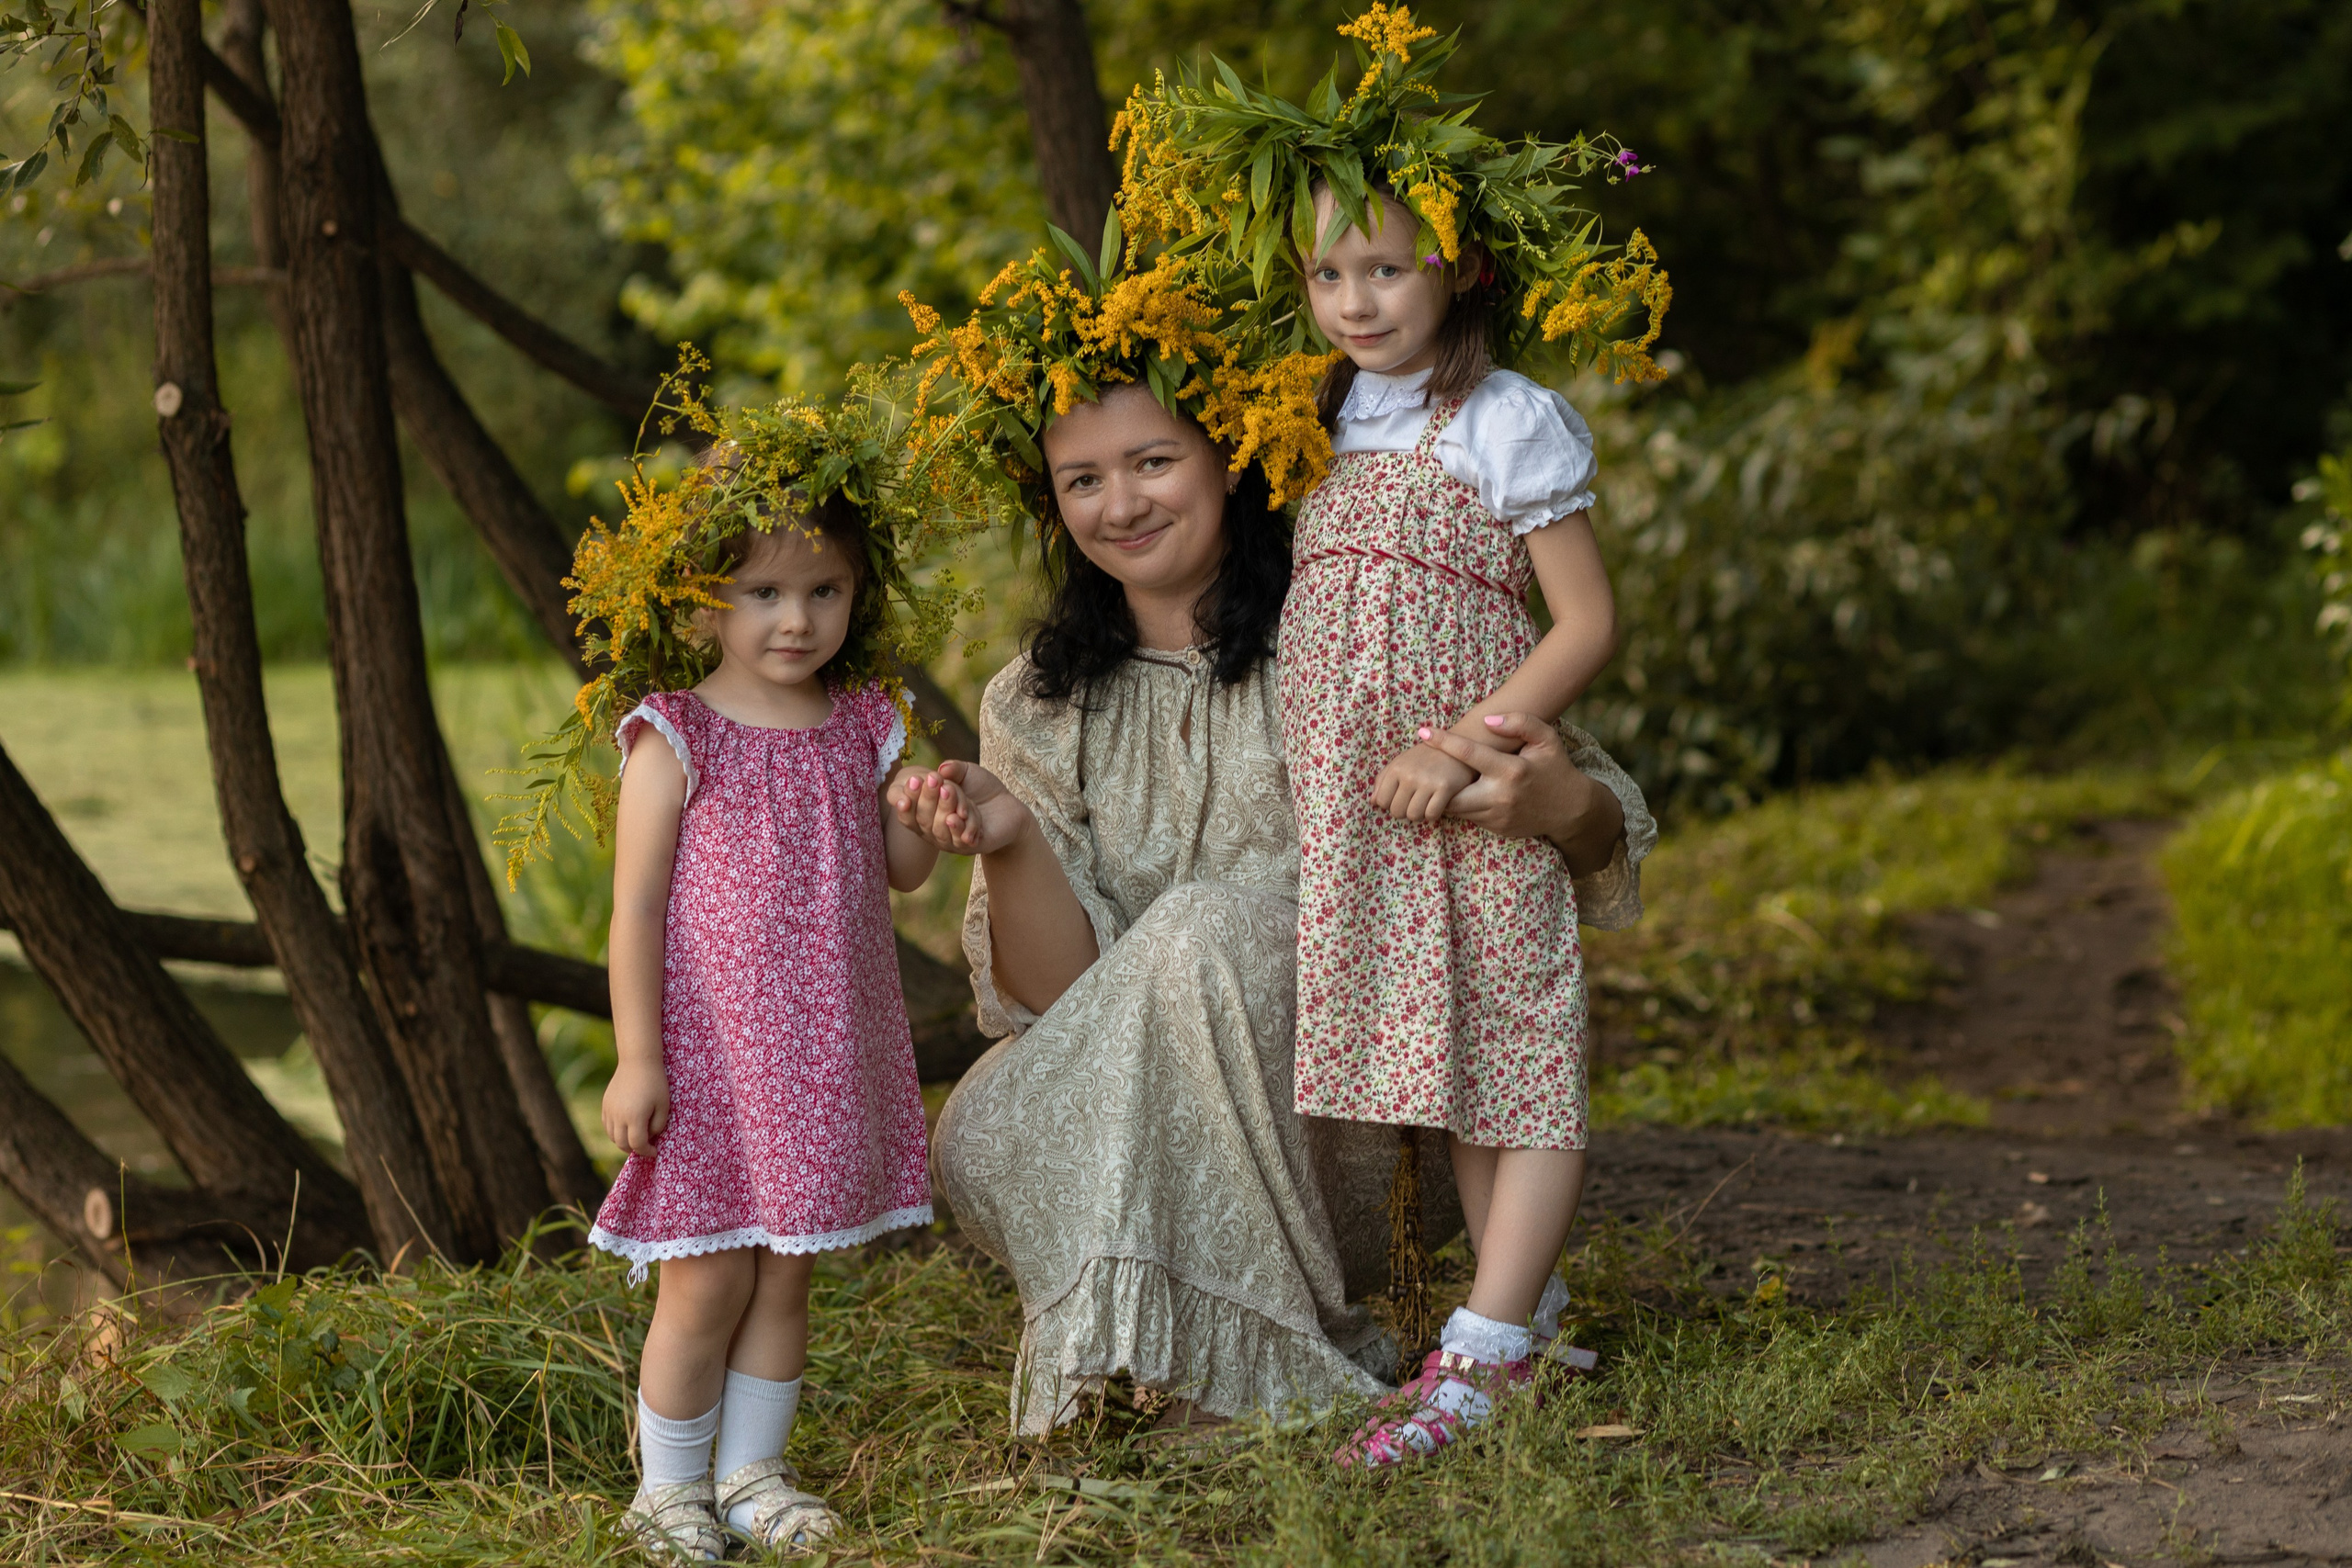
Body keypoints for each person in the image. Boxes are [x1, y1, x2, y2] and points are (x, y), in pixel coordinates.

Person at [892, 242, 1655, 1433]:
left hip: (1344, 1102)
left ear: (1232, 453)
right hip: (1101, 1100)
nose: (1122, 502)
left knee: (1204, 928)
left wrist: (1549, 804)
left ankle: (1222, 1375)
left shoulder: (1358, 615)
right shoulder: (1035, 701)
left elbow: (1591, 816)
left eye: (1155, 460)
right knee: (1023, 1081)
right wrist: (1008, 841)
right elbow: (1068, 1000)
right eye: (1081, 479)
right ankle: (1168, 1351)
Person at [1110, 6, 1673, 1466]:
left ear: (1459, 265)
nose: (1356, 298)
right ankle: (1526, 1320)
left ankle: (1477, 1359)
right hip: (1363, 813)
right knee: (1460, 1069)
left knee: (1522, 1055)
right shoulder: (1320, 415)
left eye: (1386, 266)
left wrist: (1471, 743)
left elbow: (1584, 622)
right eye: (1327, 271)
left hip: (1474, 787)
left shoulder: (1503, 419)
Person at [587, 488, 943, 1560]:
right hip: (710, 1060)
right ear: (702, 606)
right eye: (763, 591)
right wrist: (636, 1058)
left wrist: (927, 814)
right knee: (708, 1279)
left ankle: (753, 1476)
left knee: (787, 1270)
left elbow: (903, 873)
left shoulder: (866, 722)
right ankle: (669, 1489)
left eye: (823, 590)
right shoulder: (676, 732)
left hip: (823, 1056)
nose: (797, 619)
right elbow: (635, 907)